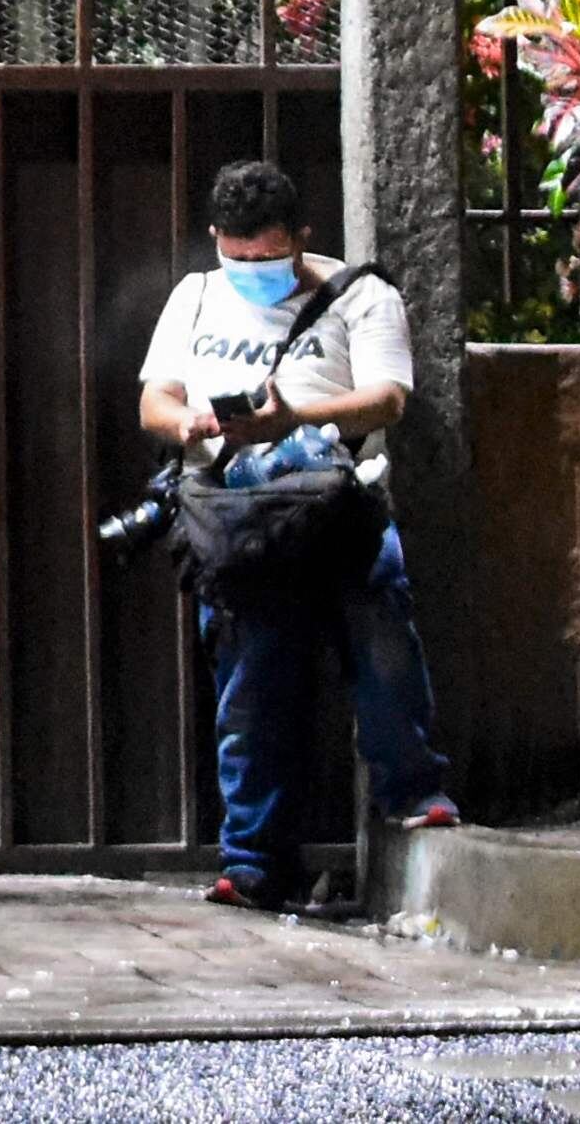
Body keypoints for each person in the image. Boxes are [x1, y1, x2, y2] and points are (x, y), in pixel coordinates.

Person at [137, 156, 459, 909]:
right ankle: (253, 859)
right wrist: (189, 423)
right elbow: (154, 399)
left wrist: (294, 421)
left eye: (269, 257)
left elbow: (388, 398)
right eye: (238, 258)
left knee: (382, 647)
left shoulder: (360, 294)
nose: (253, 271)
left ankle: (414, 791)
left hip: (335, 503)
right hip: (237, 514)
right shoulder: (196, 295)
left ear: (301, 237)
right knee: (250, 687)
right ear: (216, 239)